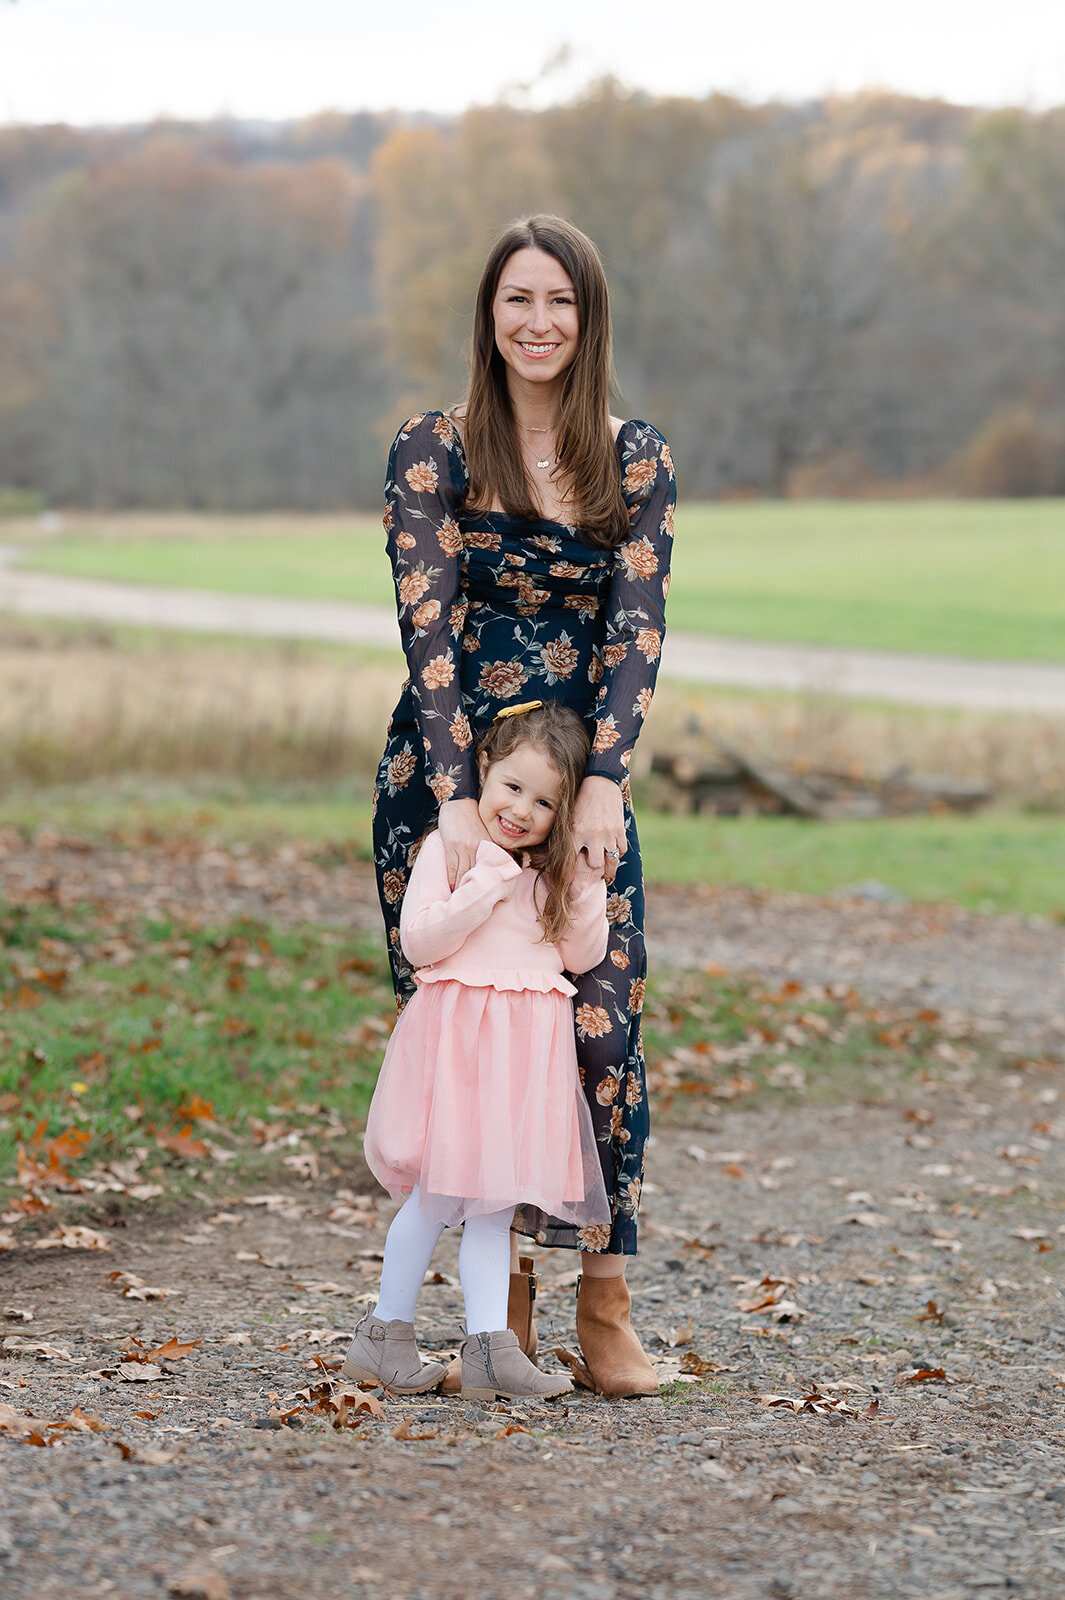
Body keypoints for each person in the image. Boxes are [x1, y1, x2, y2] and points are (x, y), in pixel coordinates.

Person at [371, 213, 675, 1397]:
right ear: (488, 317)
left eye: (560, 301)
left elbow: (637, 632)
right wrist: (453, 801)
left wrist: (605, 774)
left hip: (584, 791)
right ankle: (501, 1318)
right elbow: (427, 628)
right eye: (517, 300)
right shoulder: (433, 450)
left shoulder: (633, 458)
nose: (538, 321)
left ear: (587, 318)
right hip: (449, 787)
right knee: (474, 1049)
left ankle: (605, 1299)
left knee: (599, 1029)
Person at [345, 702, 610, 1400]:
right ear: (484, 771)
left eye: (545, 801)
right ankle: (382, 1337)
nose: (521, 810)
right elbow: (421, 942)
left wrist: (585, 885)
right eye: (512, 787)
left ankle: (491, 1352)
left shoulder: (553, 879)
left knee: (494, 1209)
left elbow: (582, 955)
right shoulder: (453, 851)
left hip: (523, 1061)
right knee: (435, 1199)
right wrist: (485, 884)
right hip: (462, 1053)